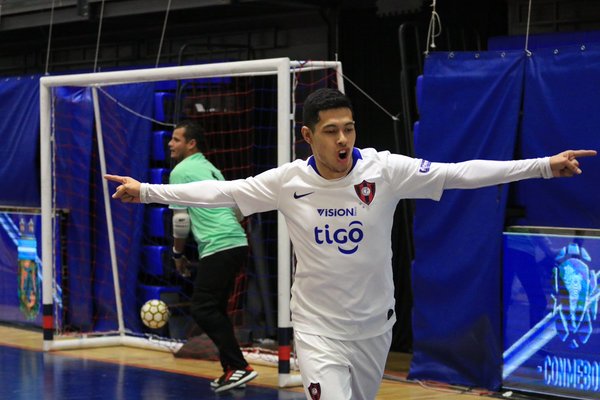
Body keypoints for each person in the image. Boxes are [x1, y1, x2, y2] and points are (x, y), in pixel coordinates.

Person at [106, 88, 596, 400]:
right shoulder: (287, 181)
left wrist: (542, 165)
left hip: (375, 327)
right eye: (331, 131)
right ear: (307, 136)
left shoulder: (384, 169)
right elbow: (223, 191)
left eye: (349, 128)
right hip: (318, 331)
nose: (343, 139)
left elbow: (459, 174)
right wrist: (147, 190)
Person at [165, 120, 257, 393]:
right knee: (214, 308)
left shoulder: (181, 171)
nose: (170, 143)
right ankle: (232, 368)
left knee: (202, 308)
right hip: (235, 243)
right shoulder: (211, 169)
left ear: (191, 144)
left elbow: (180, 220)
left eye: (176, 139)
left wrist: (177, 253)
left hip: (219, 245)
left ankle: (239, 366)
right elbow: (239, 211)